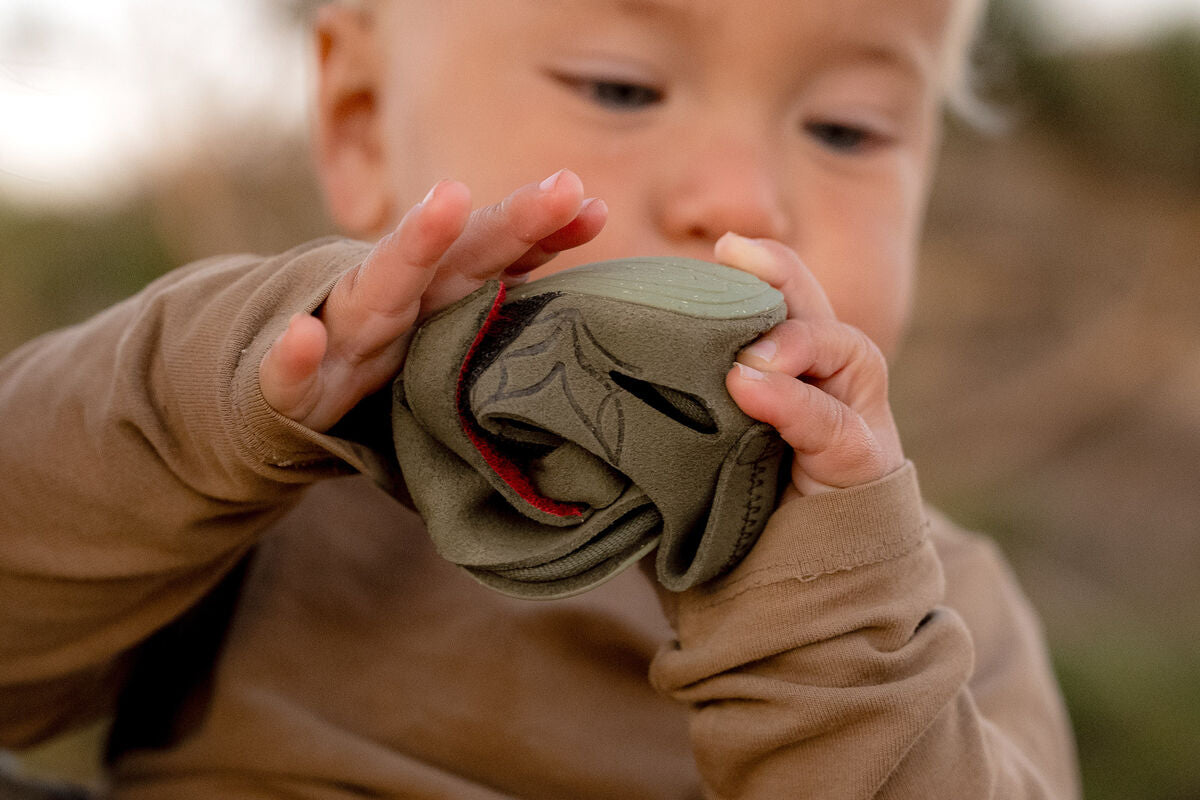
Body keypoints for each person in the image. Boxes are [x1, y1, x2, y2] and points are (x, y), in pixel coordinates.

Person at [0, 0, 1081, 797]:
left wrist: (827, 609)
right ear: (363, 122)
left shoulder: (933, 612)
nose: (744, 196)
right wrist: (226, 383)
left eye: (846, 128)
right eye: (622, 88)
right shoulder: (265, 470)